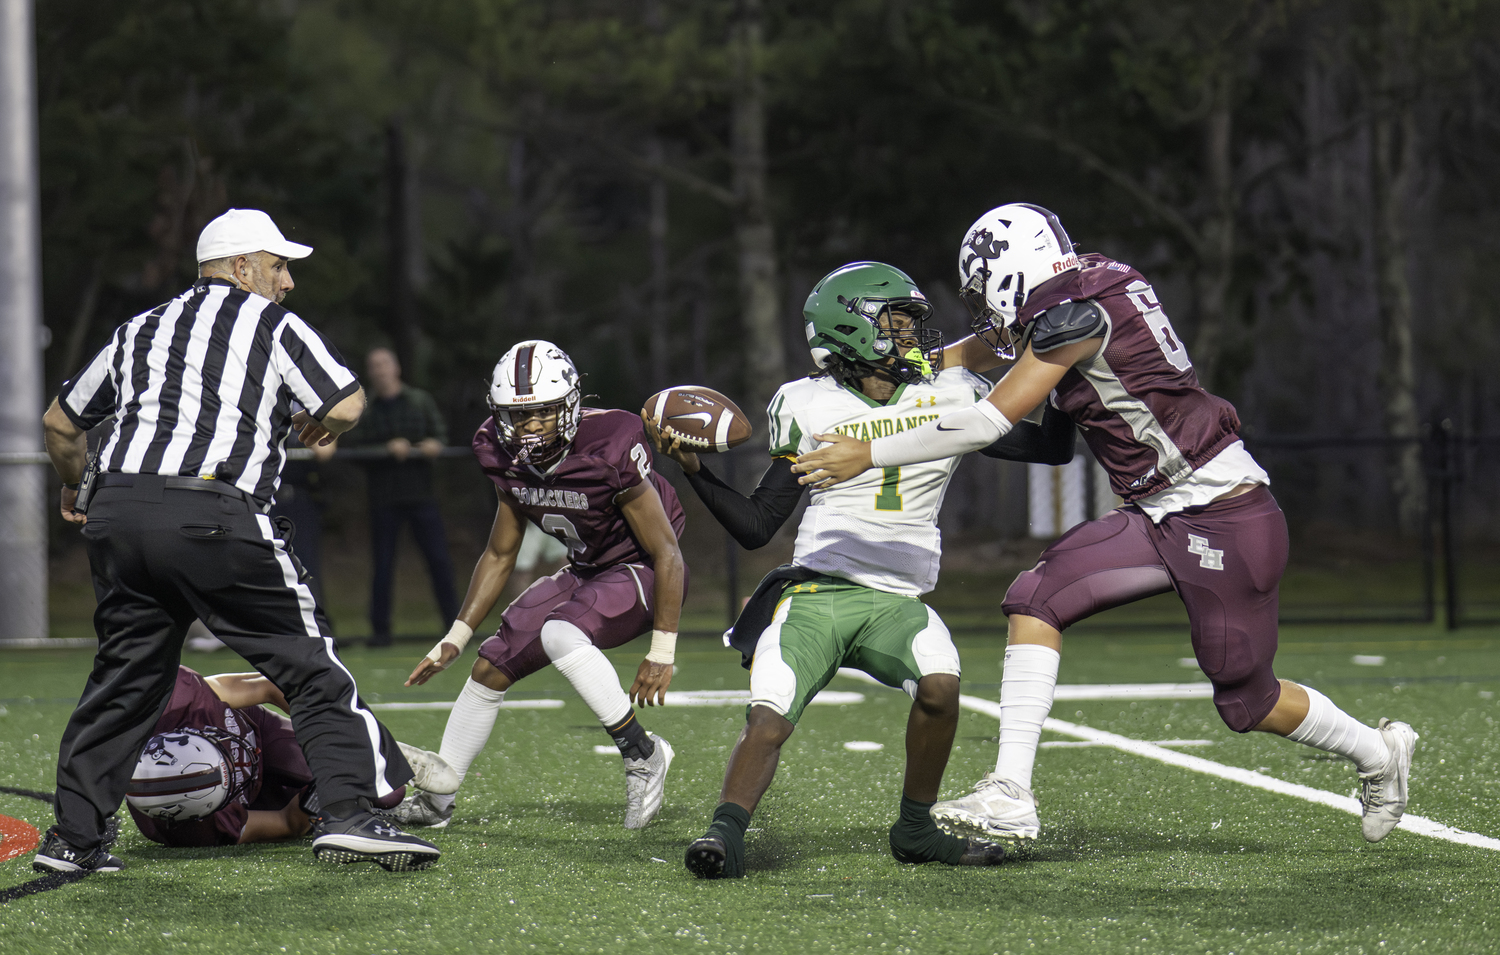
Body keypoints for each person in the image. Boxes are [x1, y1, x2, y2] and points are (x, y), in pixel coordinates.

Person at [793, 204, 1418, 846]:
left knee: (1246, 701)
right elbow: (987, 353)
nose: (986, 308)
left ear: (1009, 271)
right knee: (1036, 599)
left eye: (984, 289)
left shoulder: (1072, 316)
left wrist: (866, 451)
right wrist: (904, 367)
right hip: (1156, 511)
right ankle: (1010, 793)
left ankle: (1378, 753)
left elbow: (988, 421)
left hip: (1219, 511)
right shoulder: (1085, 289)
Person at [37, 208, 442, 874]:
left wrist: (79, 487)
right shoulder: (268, 322)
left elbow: (59, 423)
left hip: (120, 513)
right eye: (279, 267)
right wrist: (319, 417)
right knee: (310, 668)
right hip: (211, 512)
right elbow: (344, 403)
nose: (286, 283)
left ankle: (75, 838)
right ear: (243, 266)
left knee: (124, 682)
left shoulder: (139, 328)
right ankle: (349, 813)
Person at [646, 261, 1073, 879]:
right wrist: (695, 471)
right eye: (897, 319)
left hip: (898, 599)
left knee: (941, 687)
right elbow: (758, 525)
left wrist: (1061, 371)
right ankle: (725, 832)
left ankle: (916, 830)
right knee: (769, 713)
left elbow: (1052, 447)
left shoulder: (950, 394)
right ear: (853, 328)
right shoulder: (808, 403)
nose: (913, 334)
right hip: (818, 589)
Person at [396, 340, 687, 831]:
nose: (531, 426)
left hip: (640, 570)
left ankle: (643, 752)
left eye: (545, 413)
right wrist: (456, 636)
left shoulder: (609, 442)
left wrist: (662, 649)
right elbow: (501, 551)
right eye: (518, 415)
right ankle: (437, 802)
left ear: (571, 405)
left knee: (558, 633)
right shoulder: (500, 452)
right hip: (586, 568)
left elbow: (667, 552)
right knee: (490, 666)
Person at [124, 666, 458, 847]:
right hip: (257, 799)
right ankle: (362, 773)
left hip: (261, 733)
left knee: (381, 786)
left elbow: (272, 686)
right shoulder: (194, 831)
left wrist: (325, 732)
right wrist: (313, 801)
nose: (243, 764)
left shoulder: (181, 701)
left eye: (228, 756)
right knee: (373, 795)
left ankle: (366, 741)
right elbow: (287, 822)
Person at [348, 346, 460, 647]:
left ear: (396, 367)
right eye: (375, 365)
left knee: (439, 561)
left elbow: (440, 435)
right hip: (384, 499)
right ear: (370, 373)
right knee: (383, 566)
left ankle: (457, 627)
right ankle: (380, 631)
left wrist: (433, 445)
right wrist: (386, 448)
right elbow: (354, 449)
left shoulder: (419, 401)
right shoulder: (365, 410)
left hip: (421, 495)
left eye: (385, 363)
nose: (381, 370)